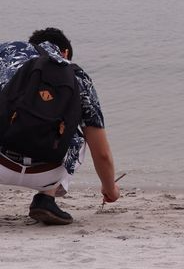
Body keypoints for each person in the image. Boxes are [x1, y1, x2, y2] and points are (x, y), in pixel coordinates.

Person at [0, 27, 120, 225]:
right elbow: (102, 153)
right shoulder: (79, 77)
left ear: (32, 44)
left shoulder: (8, 51)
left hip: (2, 164)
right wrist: (110, 189)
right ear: (65, 53)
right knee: (83, 134)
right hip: (46, 173)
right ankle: (46, 198)